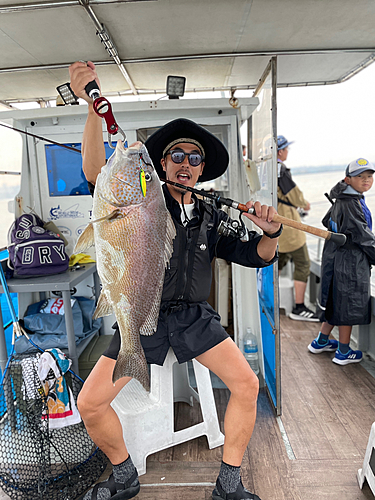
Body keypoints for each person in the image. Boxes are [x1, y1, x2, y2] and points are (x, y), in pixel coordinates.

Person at [69, 61, 282, 500]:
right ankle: (124, 475)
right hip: (142, 316)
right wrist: (93, 109)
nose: (186, 164)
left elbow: (253, 256)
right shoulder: (143, 196)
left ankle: (228, 483)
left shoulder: (210, 215)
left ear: (202, 170)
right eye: (178, 156)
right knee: (89, 404)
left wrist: (272, 234)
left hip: (193, 317)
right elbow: (94, 173)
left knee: (246, 384)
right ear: (163, 162)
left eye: (195, 158)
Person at [308, 158, 375, 364]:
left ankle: (321, 341)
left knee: (335, 302)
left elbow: (326, 221)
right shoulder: (352, 203)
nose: (366, 180)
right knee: (348, 305)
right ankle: (344, 352)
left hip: (336, 258)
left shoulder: (343, 199)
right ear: (348, 179)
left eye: (369, 176)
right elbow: (364, 237)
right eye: (360, 177)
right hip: (350, 262)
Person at [277, 135, 319, 322]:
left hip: (278, 226)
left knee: (278, 262)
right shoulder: (282, 170)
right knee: (303, 263)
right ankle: (299, 307)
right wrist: (305, 204)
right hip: (289, 226)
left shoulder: (270, 168)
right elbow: (295, 196)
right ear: (280, 151)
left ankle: (266, 298)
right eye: (286, 149)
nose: (287, 152)